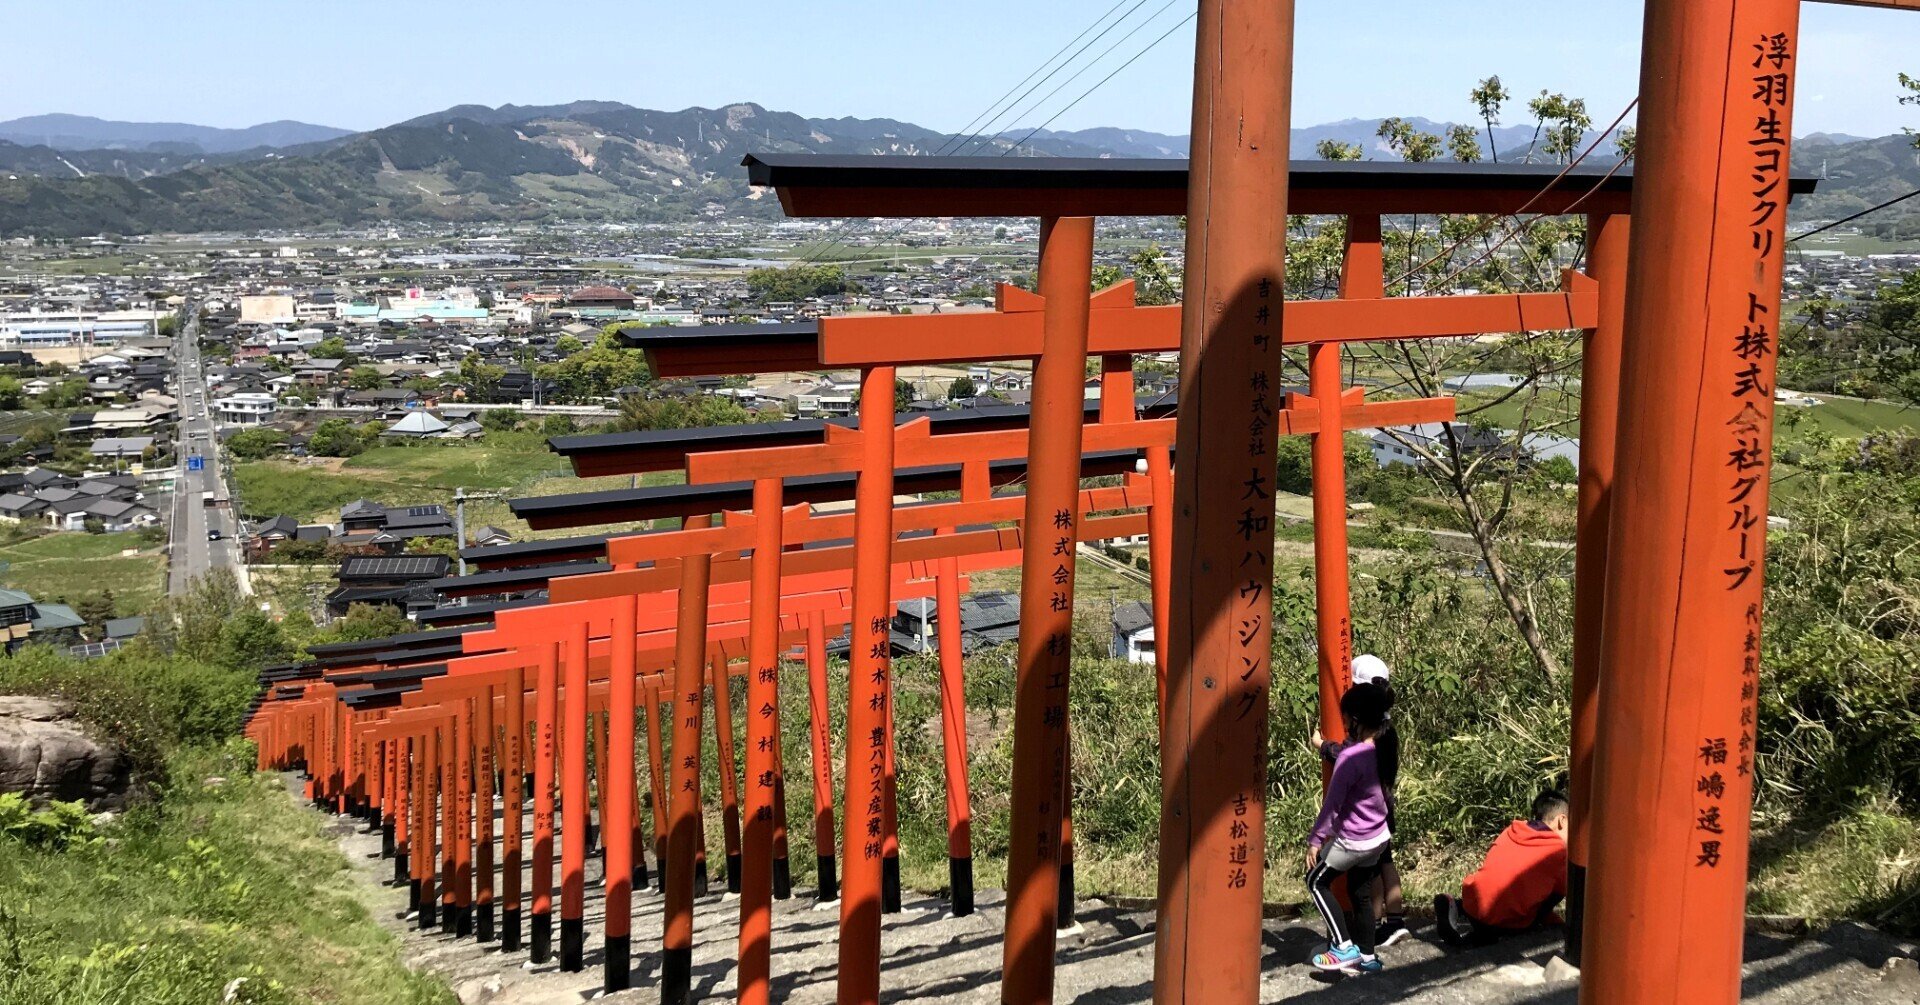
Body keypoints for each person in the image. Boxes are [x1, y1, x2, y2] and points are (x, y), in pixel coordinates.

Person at [1313, 654, 1411, 946]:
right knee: (1384, 864)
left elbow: (1346, 756)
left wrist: (1322, 745)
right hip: (1382, 810)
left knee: (1365, 877)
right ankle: (1393, 922)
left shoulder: (1364, 735)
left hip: (1364, 819)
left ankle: (1372, 927)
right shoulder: (1386, 729)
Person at [1305, 683, 1394, 974]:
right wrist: (1325, 746)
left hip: (1353, 840)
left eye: (1344, 719)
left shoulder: (1350, 757)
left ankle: (1342, 947)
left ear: (1355, 720)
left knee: (1315, 881)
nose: (1343, 724)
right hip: (1378, 837)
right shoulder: (1384, 747)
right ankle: (1367, 957)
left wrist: (1315, 840)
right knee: (1361, 893)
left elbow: (1332, 805)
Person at [1433, 790, 1570, 946]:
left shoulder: (1512, 830)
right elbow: (1566, 891)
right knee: (1558, 889)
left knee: (1493, 898)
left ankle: (1456, 906)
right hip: (1505, 919)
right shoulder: (1558, 850)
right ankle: (1474, 940)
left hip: (1473, 902)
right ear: (1561, 821)